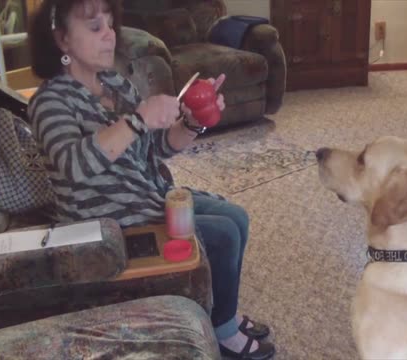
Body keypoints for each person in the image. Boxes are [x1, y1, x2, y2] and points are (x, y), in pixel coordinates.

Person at [26, 1, 275, 358]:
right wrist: (137, 120)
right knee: (222, 236)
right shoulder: (49, 102)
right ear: (62, 39)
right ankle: (222, 333)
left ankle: (224, 315)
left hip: (146, 196)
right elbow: (73, 164)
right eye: (95, 27)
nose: (110, 34)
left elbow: (154, 150)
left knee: (236, 216)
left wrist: (193, 121)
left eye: (110, 24)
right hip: (108, 225)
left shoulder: (115, 84)